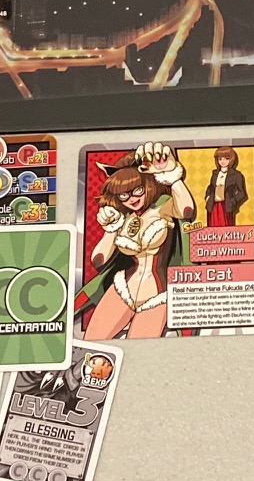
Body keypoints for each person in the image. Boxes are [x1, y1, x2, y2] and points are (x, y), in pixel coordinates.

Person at [83, 143, 196, 342]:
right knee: (91, 345)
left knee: (140, 353)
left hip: (157, 295)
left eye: (137, 190)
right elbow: (99, 260)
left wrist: (173, 178)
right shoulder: (124, 218)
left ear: (148, 185)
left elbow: (186, 210)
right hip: (123, 288)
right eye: (123, 194)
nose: (131, 199)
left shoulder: (162, 207)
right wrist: (110, 230)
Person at [201, 145, 248, 228]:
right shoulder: (215, 173)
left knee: (226, 229)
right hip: (213, 205)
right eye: (220, 159)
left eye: (226, 158)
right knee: (212, 229)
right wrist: (207, 197)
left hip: (226, 206)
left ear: (231, 159)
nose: (223, 161)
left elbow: (242, 193)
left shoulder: (236, 175)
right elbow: (211, 187)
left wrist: (233, 201)